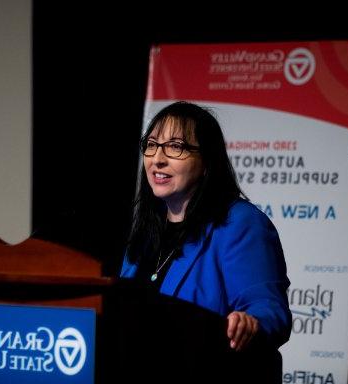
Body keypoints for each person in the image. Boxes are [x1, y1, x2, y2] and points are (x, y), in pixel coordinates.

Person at [120, 101, 291, 379]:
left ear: (206, 162)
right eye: (151, 144)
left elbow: (269, 308)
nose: (157, 158)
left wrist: (250, 323)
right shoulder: (145, 232)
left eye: (175, 147)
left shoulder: (239, 223)